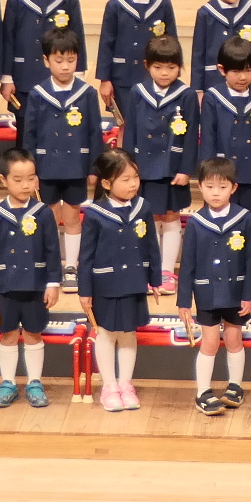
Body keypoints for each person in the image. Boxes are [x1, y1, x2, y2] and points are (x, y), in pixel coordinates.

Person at [0, 150, 61, 409]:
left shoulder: (43, 213)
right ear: (4, 180)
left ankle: (35, 382)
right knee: (8, 334)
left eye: (31, 178)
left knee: (34, 333)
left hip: (36, 286)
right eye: (18, 179)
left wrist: (53, 283)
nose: (26, 185)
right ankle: (8, 383)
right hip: (5, 286)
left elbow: (52, 251)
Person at [77, 151, 159, 414]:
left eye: (135, 177)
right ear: (106, 183)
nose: (133, 184)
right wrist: (85, 290)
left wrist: (155, 279)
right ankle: (109, 386)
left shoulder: (143, 207)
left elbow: (151, 245)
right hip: (106, 284)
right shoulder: (95, 213)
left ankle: (125, 384)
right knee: (106, 334)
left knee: (128, 334)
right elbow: (86, 256)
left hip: (134, 281)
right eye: (125, 179)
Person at [175, 162, 251, 416]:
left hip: (236, 291)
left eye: (222, 187)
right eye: (210, 186)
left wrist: (250, 295)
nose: (215, 193)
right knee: (210, 342)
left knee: (234, 339)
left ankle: (235, 386)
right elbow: (187, 264)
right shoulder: (196, 222)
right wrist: (183, 301)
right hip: (207, 293)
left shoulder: (244, 219)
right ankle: (203, 391)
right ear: (200, 187)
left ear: (233, 188)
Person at [21, 29, 107, 273]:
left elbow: (94, 133)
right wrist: (30, 171)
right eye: (59, 60)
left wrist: (94, 168)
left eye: (71, 60)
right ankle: (51, 266)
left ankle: (71, 266)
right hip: (46, 167)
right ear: (46, 60)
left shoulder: (87, 93)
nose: (65, 66)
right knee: (48, 217)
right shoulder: (38, 94)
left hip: (76, 166)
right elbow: (30, 135)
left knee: (72, 216)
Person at [116, 34, 199, 280]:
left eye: (171, 67)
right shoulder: (137, 92)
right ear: (147, 65)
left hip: (172, 167)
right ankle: (149, 268)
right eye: (158, 67)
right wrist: (129, 168)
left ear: (180, 67)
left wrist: (185, 169)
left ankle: (167, 271)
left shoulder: (186, 95)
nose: (165, 73)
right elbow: (130, 131)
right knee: (147, 215)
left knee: (171, 215)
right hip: (143, 167)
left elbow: (191, 135)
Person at [1, 0, 82, 107]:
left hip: (60, 80)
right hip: (23, 79)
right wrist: (6, 78)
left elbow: (78, 37)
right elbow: (7, 40)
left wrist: (79, 74)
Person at [96, 0, 177, 116]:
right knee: (125, 122)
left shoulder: (163, 4)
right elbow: (106, 44)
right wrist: (105, 80)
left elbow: (173, 44)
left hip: (155, 78)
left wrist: (173, 75)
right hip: (123, 78)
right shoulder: (116, 5)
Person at [200, 36, 251, 214]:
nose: (243, 77)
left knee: (249, 217)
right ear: (222, 70)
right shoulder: (213, 97)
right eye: (236, 71)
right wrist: (207, 174)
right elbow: (208, 138)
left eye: (248, 71)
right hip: (221, 174)